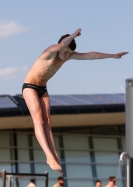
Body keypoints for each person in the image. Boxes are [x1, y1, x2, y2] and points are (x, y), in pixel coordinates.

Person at [22, 28, 128, 174]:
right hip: (30, 87)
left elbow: (90, 55)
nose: (66, 55)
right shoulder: (51, 51)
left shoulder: (67, 55)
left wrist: (112, 55)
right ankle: (48, 155)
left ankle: (54, 156)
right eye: (65, 51)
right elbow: (60, 46)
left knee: (47, 121)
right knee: (38, 120)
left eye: (69, 53)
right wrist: (73, 35)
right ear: (60, 46)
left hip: (43, 89)